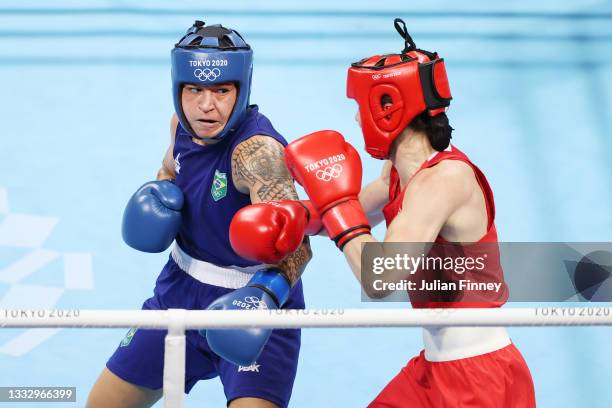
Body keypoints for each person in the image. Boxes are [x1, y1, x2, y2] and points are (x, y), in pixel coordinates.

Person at [230, 18, 536, 407]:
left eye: (360, 107)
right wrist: (292, 217)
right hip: (433, 368)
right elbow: (352, 209)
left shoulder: (443, 181)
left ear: (388, 108)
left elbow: (380, 276)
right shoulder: (399, 173)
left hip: (479, 377)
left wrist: (338, 209)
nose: (357, 119)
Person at [86, 21, 311, 408]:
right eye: (195, 90)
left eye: (222, 91)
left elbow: (297, 244)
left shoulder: (257, 154)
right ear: (179, 89)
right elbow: (170, 169)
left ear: (241, 90)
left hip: (251, 302)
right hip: (178, 290)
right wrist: (163, 191)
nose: (207, 105)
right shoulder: (181, 127)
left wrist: (263, 296)